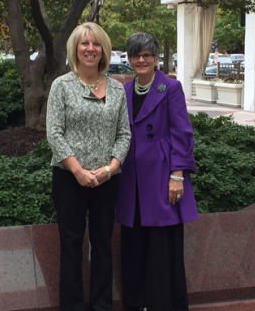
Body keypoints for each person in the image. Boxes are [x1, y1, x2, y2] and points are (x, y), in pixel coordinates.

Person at [46, 22, 131, 311]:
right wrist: (78, 171)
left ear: (104, 50)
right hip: (69, 179)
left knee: (103, 246)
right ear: (75, 49)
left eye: (95, 44)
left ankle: (101, 305)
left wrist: (109, 169)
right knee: (71, 245)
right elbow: (54, 133)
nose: (90, 49)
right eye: (84, 43)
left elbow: (124, 134)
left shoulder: (117, 90)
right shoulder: (61, 86)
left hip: (107, 180)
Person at [116, 32, 198, 311]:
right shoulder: (124, 91)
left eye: (147, 55)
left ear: (155, 58)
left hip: (162, 178)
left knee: (163, 248)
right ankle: (136, 304)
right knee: (134, 245)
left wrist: (177, 175)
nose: (141, 60)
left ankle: (164, 305)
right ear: (128, 60)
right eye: (136, 55)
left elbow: (182, 133)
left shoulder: (170, 88)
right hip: (131, 181)